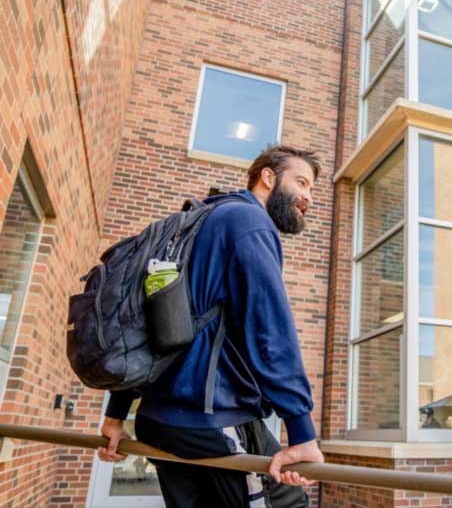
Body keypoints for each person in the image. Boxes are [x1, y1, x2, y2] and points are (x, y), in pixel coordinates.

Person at [97, 145, 325, 508]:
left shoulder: (199, 220)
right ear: (268, 178)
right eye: (301, 182)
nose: (308, 197)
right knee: (290, 504)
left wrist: (116, 416)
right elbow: (270, 330)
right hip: (209, 421)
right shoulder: (249, 222)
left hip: (158, 422)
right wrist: (301, 432)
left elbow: (143, 325)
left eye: (311, 188)